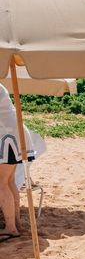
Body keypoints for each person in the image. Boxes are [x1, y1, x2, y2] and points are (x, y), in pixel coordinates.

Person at [0, 83, 36, 242]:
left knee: (1, 183)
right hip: (15, 131)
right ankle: (16, 223)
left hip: (6, 134)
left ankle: (10, 228)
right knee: (9, 181)